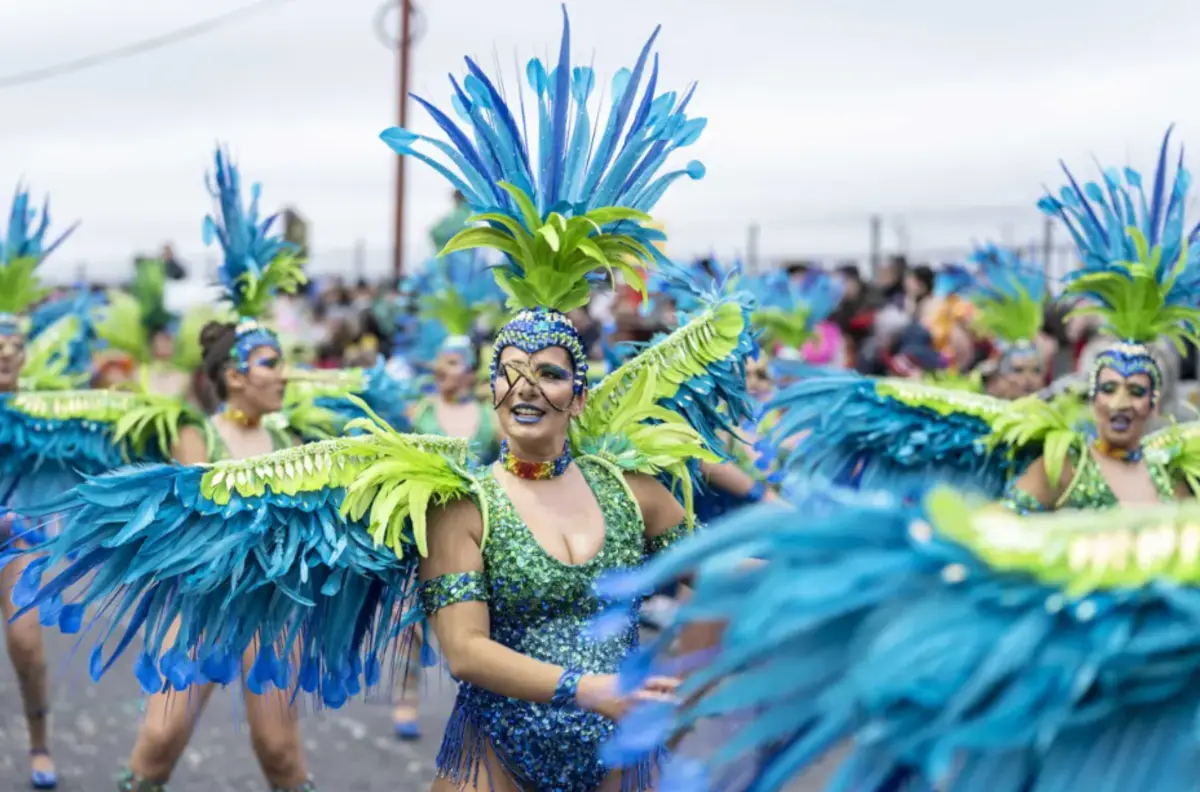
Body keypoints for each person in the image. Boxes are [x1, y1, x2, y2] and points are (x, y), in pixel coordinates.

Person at [11, 12, 747, 792]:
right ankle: (46, 743)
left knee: (280, 755)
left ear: (581, 391)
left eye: (550, 373)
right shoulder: (460, 503)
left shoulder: (631, 494)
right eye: (512, 370)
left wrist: (683, 684)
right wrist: (588, 688)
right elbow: (461, 650)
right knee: (156, 751)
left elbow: (735, 575)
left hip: (616, 759)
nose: (526, 386)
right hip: (480, 747)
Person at [114, 148, 316, 792]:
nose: (281, 373)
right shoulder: (194, 434)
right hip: (201, 602)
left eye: (281, 362)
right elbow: (198, 524)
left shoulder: (295, 437)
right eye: (268, 364)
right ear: (233, 376)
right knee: (160, 740)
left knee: (280, 754)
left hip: (271, 606)